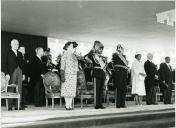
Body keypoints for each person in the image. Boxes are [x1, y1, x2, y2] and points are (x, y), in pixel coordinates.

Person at [84, 40, 106, 109]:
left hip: (102, 74)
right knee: (97, 90)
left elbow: (104, 67)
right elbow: (86, 57)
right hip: (96, 74)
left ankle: (100, 104)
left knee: (101, 90)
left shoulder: (103, 58)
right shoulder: (93, 56)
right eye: (100, 48)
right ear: (97, 49)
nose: (101, 50)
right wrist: (92, 50)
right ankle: (97, 105)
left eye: (102, 49)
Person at [5, 39, 24, 110]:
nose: (17, 45)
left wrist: (23, 73)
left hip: (20, 71)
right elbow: (5, 64)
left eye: (18, 44)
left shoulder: (19, 53)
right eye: (15, 44)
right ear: (11, 44)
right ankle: (9, 106)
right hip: (11, 72)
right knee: (11, 88)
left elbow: (22, 64)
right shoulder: (8, 53)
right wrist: (6, 73)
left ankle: (17, 106)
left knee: (19, 89)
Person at [60, 41, 78, 110]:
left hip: (73, 75)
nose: (72, 47)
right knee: (66, 90)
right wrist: (62, 75)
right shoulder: (64, 54)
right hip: (67, 74)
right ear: (67, 47)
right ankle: (67, 105)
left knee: (72, 91)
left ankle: (69, 104)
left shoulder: (74, 55)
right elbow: (62, 66)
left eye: (72, 46)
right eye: (70, 46)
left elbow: (76, 65)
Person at [112, 43, 128, 108]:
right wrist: (118, 52)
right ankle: (118, 103)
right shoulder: (115, 54)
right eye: (120, 48)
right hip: (118, 72)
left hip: (124, 72)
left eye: (122, 48)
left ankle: (122, 103)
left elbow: (125, 64)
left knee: (123, 88)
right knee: (119, 88)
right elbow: (114, 60)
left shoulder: (124, 56)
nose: (121, 49)